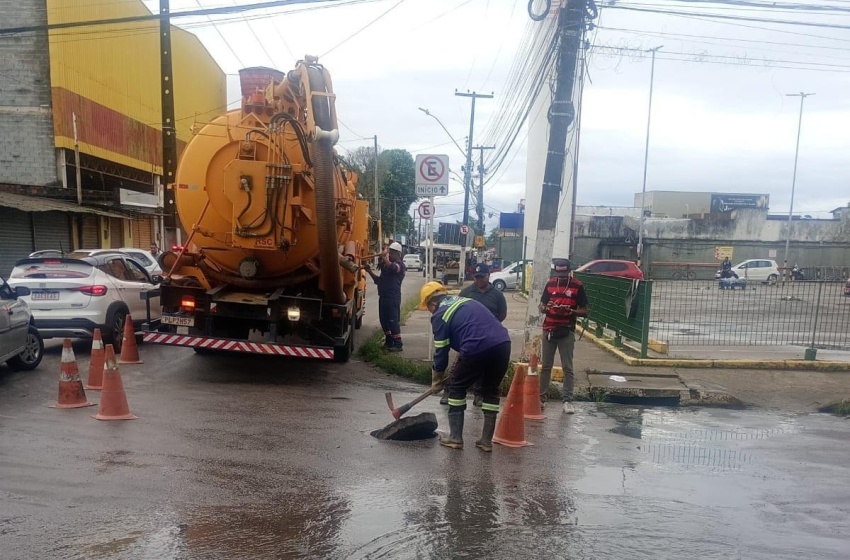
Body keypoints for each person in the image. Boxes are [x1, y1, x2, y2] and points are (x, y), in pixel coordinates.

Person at [420, 281, 511, 452]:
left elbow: (441, 350)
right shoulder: (465, 301)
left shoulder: (440, 314)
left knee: (456, 388)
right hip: (502, 345)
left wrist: (437, 377)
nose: (429, 311)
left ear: (432, 303)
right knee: (490, 390)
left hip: (476, 346)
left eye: (427, 307)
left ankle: (455, 438)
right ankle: (485, 442)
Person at [443, 263, 507, 407]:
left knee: (484, 367)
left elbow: (502, 314)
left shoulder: (497, 295)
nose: (478, 280)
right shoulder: (466, 293)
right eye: (476, 277)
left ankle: (479, 395)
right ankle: (448, 391)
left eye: (482, 277)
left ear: (488, 276)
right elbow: (456, 310)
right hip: (468, 338)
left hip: (488, 337)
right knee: (458, 366)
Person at [538, 258, 588, 415]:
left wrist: (571, 311)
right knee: (546, 365)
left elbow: (585, 311)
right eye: (559, 273)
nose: (561, 276)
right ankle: (541, 398)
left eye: (564, 273)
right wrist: (546, 309)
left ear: (569, 271)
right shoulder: (550, 283)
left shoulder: (577, 286)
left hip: (566, 329)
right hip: (549, 329)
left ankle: (567, 400)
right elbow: (542, 304)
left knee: (567, 367)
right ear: (555, 272)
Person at [365, 242, 406, 351]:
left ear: (398, 254)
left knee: (393, 320)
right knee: (384, 321)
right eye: (389, 253)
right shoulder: (385, 266)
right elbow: (379, 281)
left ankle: (398, 344)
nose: (390, 255)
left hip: (393, 298)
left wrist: (385, 258)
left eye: (392, 253)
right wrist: (369, 271)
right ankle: (389, 342)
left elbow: (394, 268)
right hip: (383, 297)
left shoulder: (400, 265)